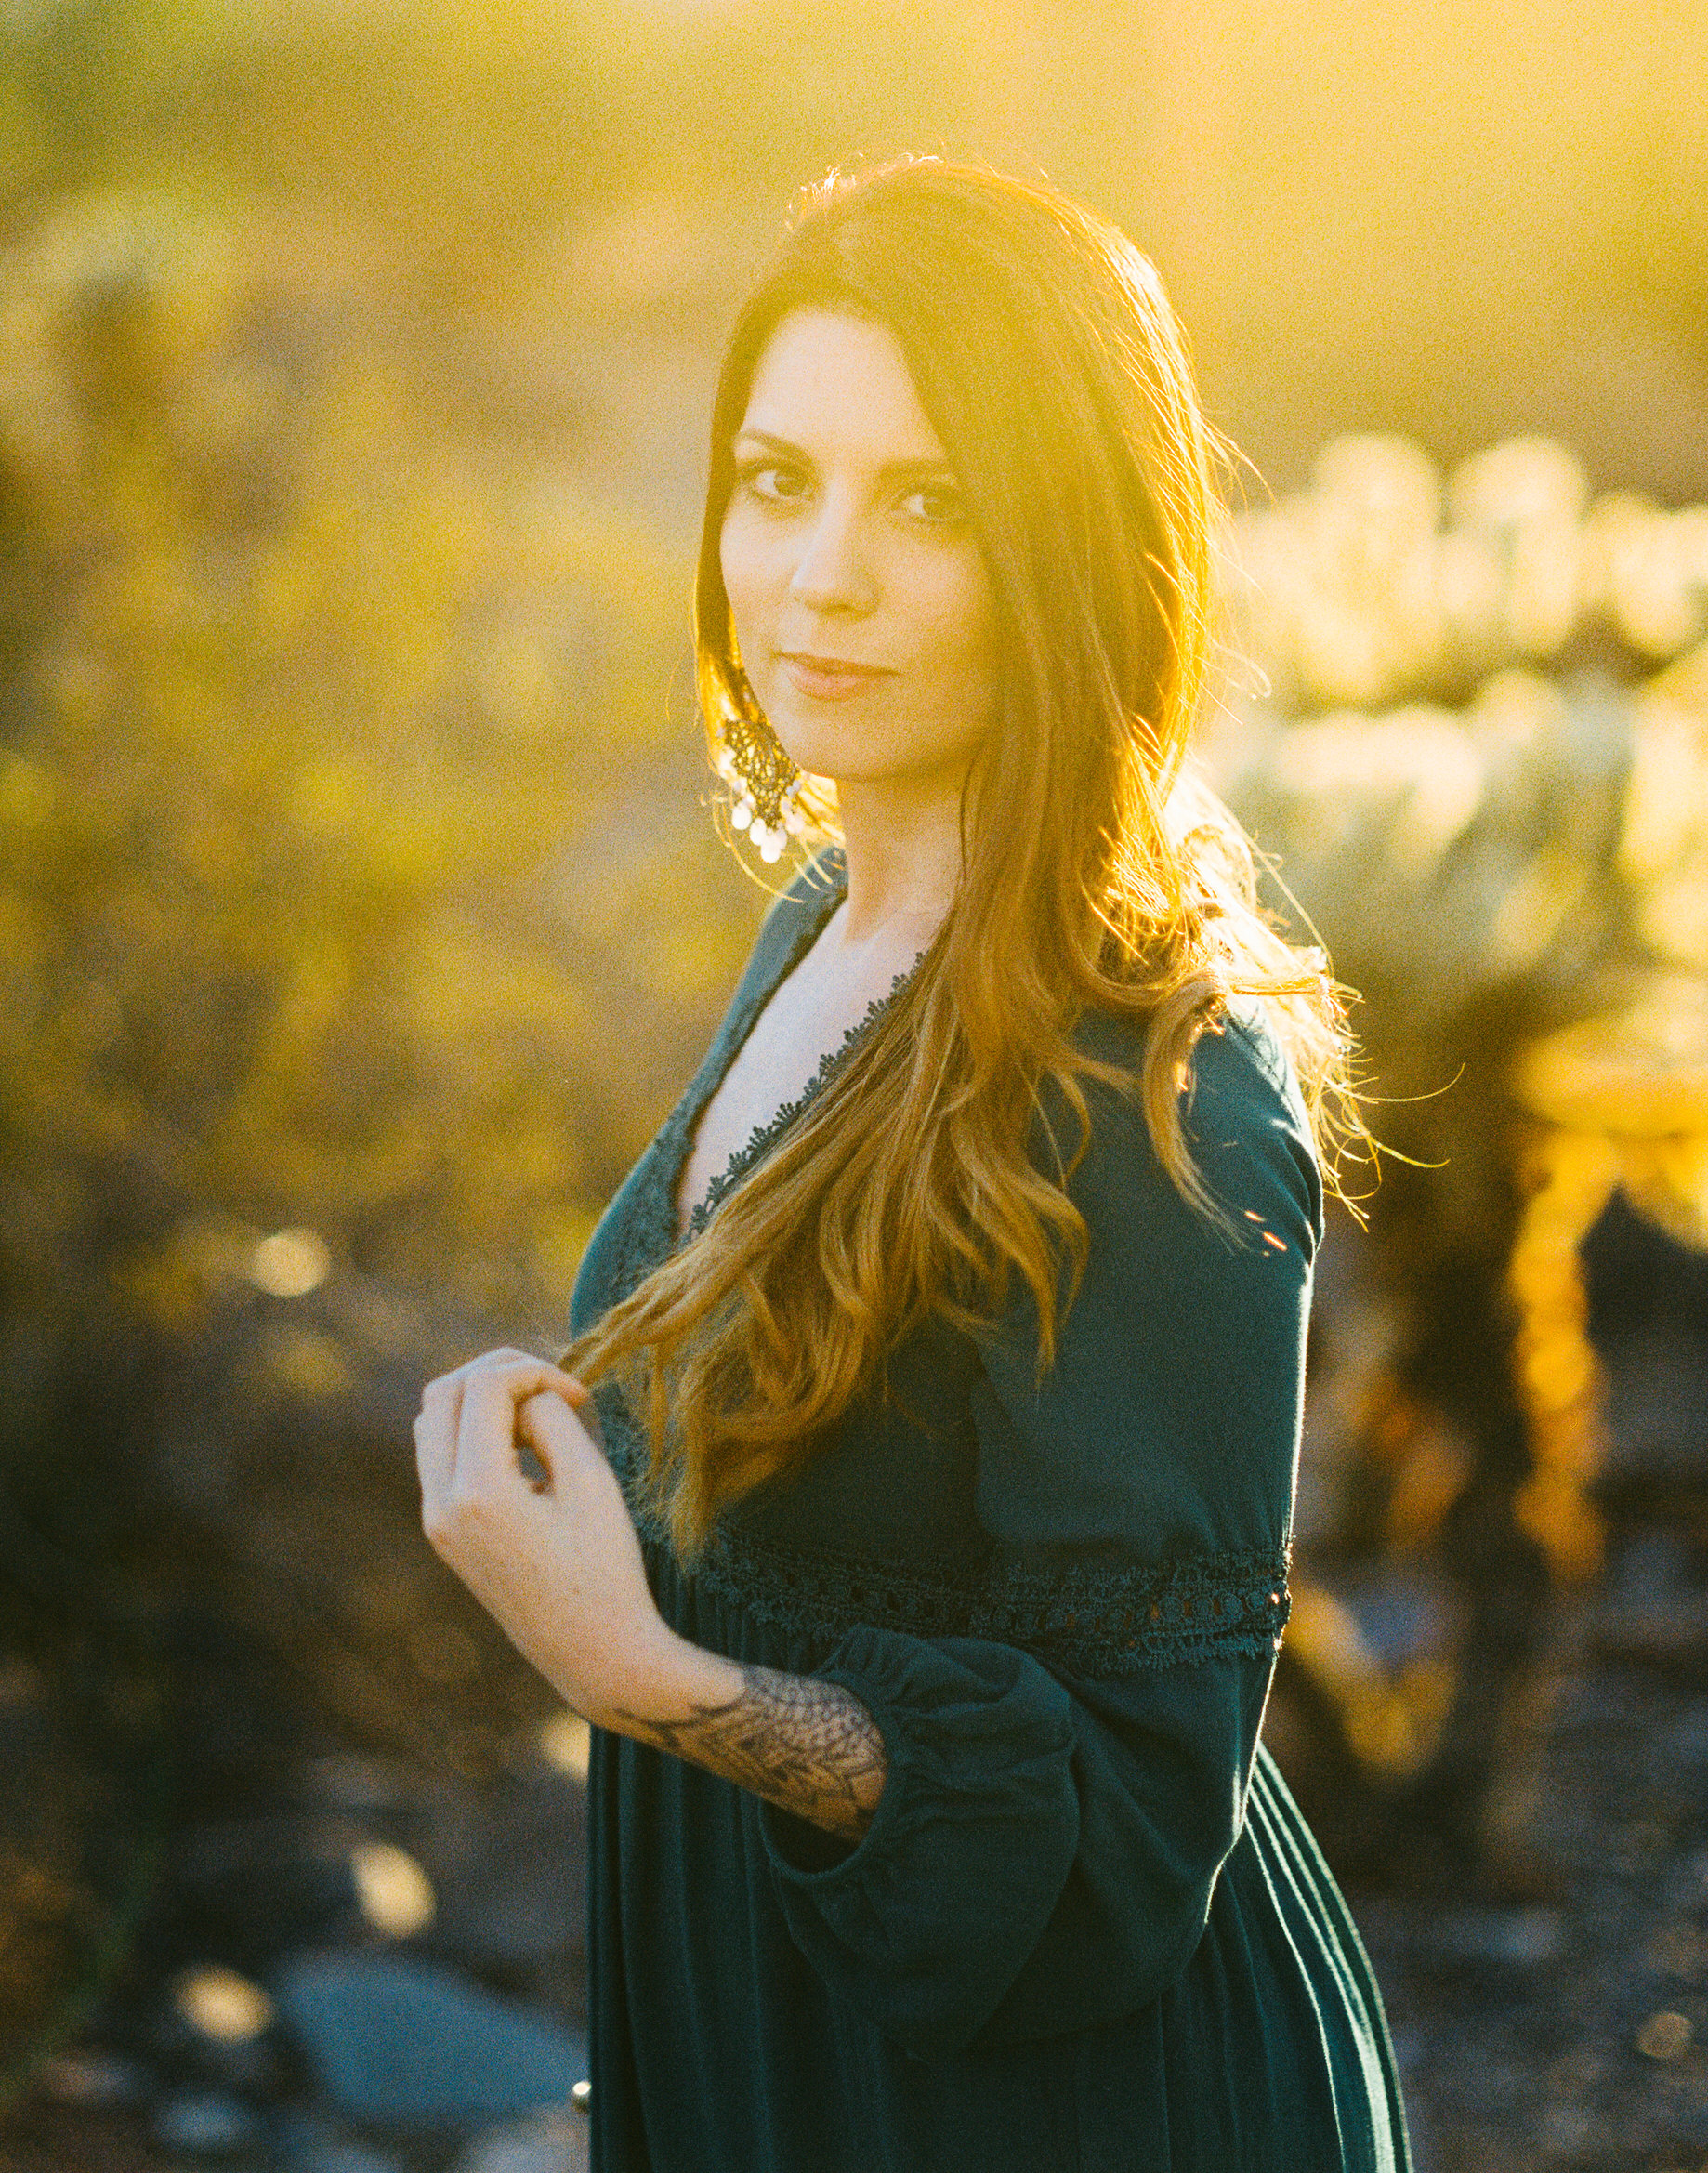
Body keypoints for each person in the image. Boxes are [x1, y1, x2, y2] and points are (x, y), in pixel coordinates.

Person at [414, 157, 1414, 2172]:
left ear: (1075, 551)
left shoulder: (1166, 1105)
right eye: (777, 480)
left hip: (1067, 2104)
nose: (822, 574)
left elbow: (1133, 1818)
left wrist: (639, 1666)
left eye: (930, 502)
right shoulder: (832, 915)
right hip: (792, 2041)